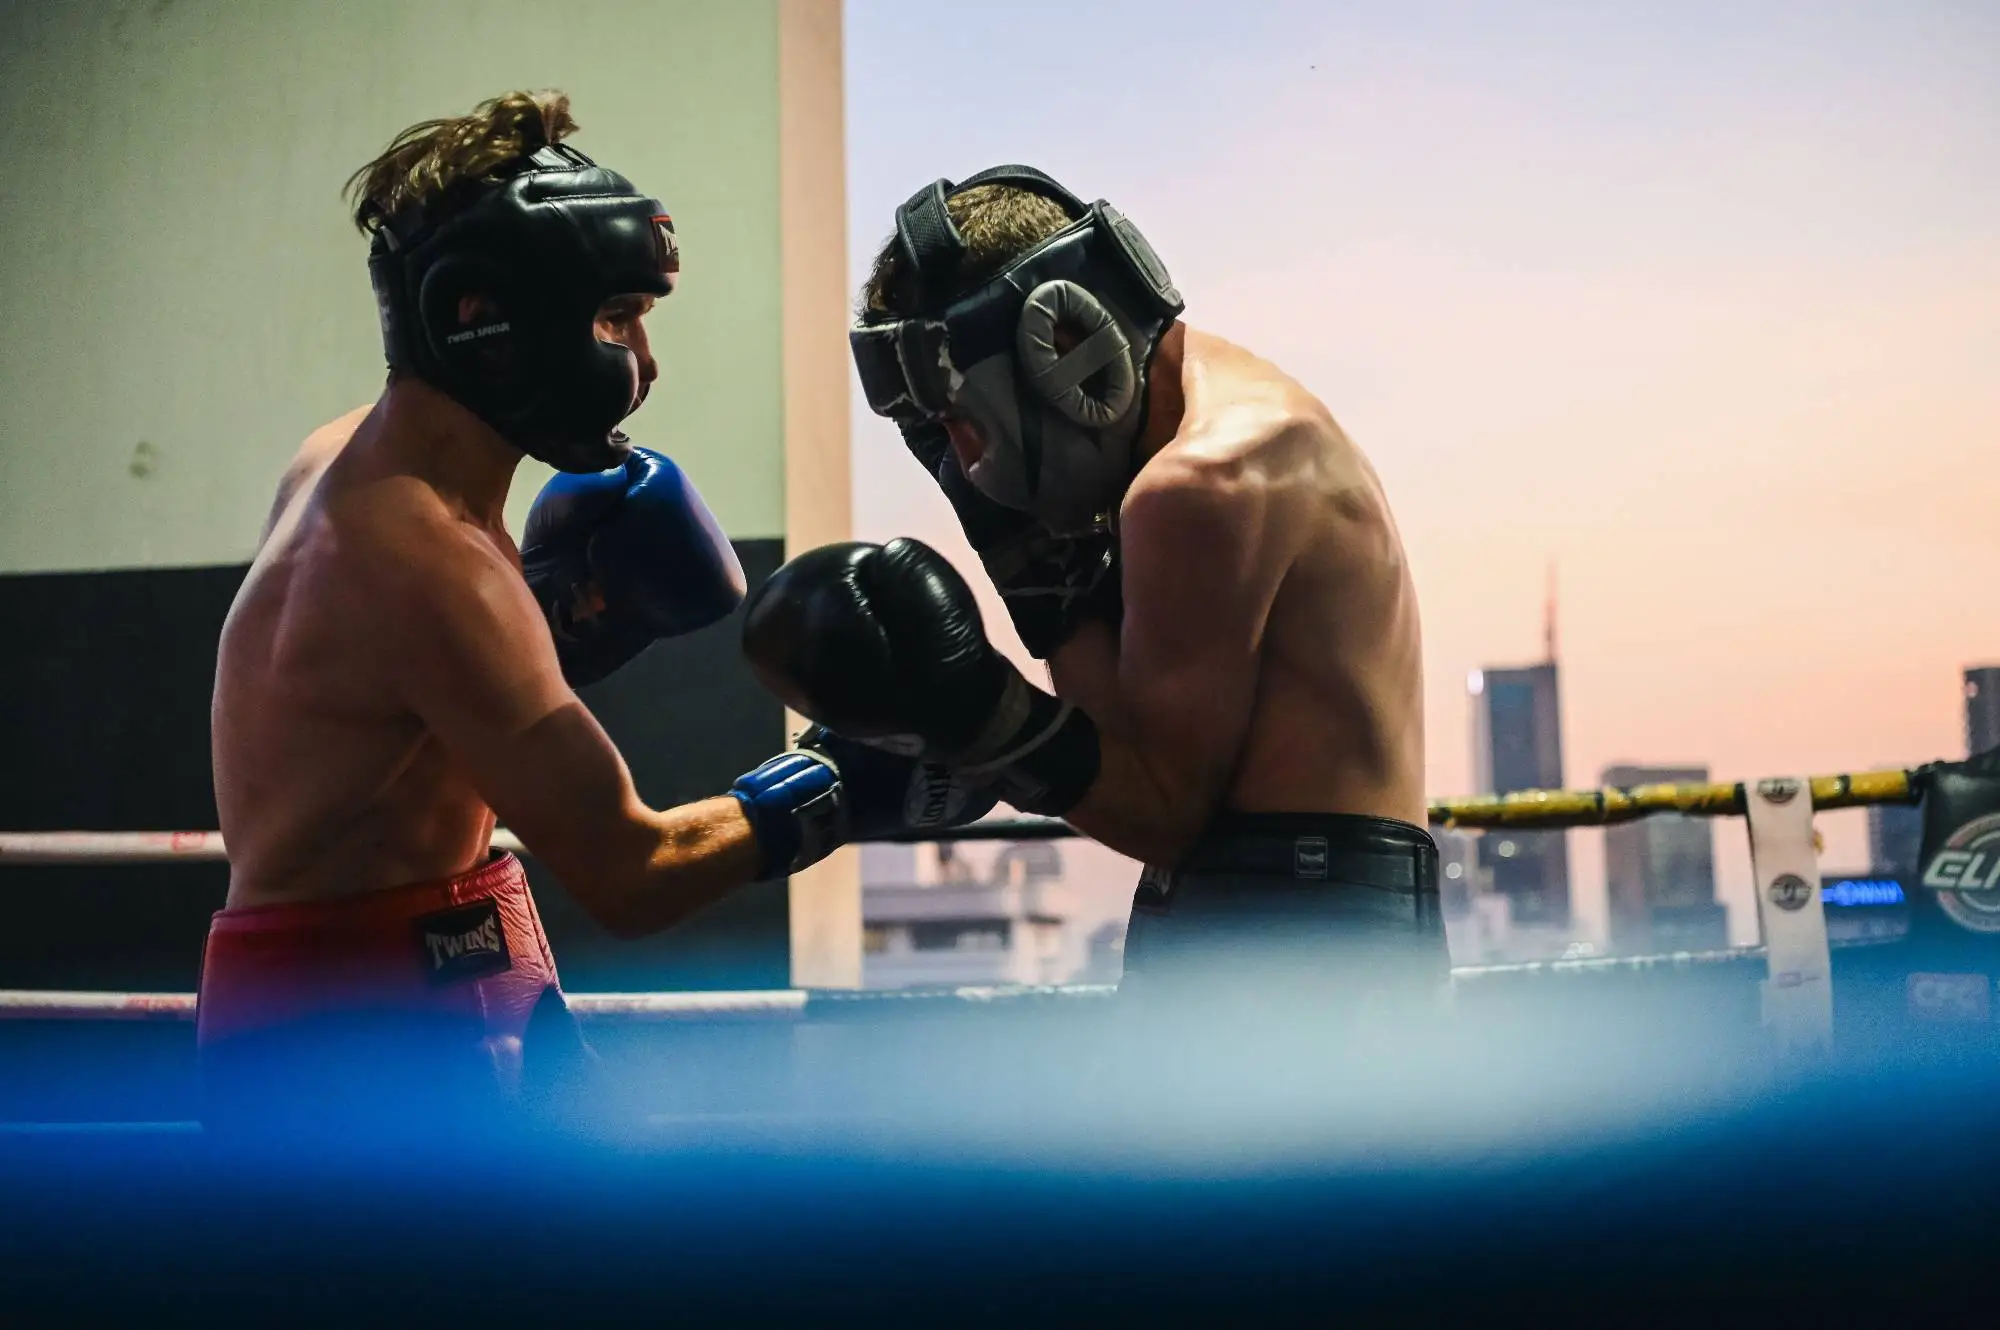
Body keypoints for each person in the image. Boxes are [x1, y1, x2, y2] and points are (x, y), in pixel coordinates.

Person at [200, 92, 989, 1138]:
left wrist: (552, 627)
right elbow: (631, 873)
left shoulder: (346, 463)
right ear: (488, 321)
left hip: (398, 983)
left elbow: (397, 728)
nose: (642, 364)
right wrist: (840, 785)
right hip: (358, 1036)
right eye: (615, 319)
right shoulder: (427, 568)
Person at [743, 166, 1441, 1022]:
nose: (964, 461)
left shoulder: (1201, 484)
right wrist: (1035, 566)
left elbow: (1158, 813)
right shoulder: (1223, 419)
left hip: (1305, 946)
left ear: (1064, 343)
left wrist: (982, 715)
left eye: (966, 416)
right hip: (1288, 919)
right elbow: (1131, 750)